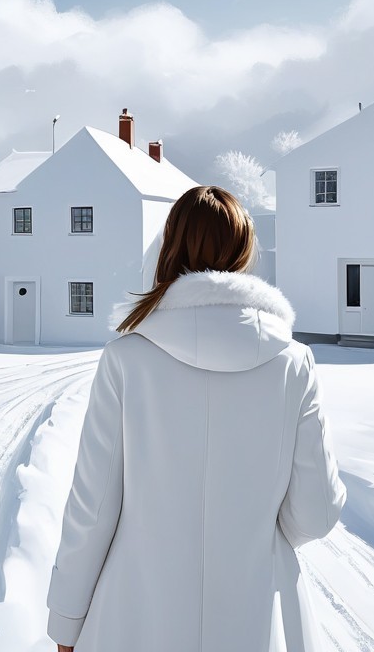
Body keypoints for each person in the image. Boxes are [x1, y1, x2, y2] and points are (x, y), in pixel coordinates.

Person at [47, 185, 346, 652]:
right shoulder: (294, 362)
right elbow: (317, 511)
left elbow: (93, 508)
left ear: (170, 249)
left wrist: (66, 622)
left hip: (135, 617)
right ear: (244, 252)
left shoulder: (127, 359)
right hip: (259, 617)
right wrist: (251, 531)